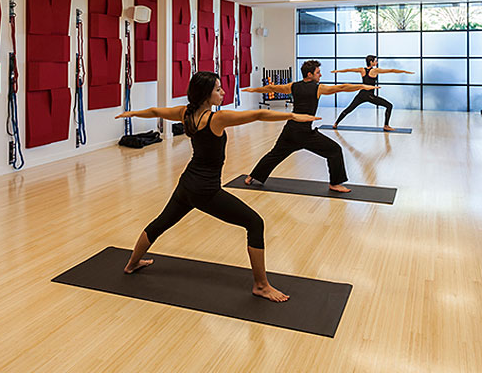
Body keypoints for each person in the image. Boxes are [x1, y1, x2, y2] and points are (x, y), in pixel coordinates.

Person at [116, 71, 320, 303]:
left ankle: (132, 264)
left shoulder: (186, 113)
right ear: (205, 94)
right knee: (255, 223)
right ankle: (261, 285)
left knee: (161, 222)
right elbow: (258, 115)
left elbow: (155, 111)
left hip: (187, 184)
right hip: (206, 191)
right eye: (218, 89)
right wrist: (294, 116)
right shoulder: (217, 119)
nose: (223, 93)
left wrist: (132, 113)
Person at [241, 60, 377, 193]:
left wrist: (253, 90)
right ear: (310, 74)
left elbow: (271, 88)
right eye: (318, 72)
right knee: (334, 151)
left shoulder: (293, 86)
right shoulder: (318, 88)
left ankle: (251, 176)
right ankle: (335, 184)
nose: (320, 75)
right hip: (304, 132)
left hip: (290, 129)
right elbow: (341, 87)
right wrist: (362, 86)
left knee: (274, 154)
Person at [332, 55, 414, 131]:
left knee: (349, 109)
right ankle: (386, 126)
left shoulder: (361, 70)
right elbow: (391, 70)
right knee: (389, 106)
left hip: (361, 94)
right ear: (371, 62)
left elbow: (349, 70)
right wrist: (404, 71)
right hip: (369, 96)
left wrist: (337, 71)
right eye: (375, 61)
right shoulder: (375, 70)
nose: (377, 62)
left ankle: (335, 124)